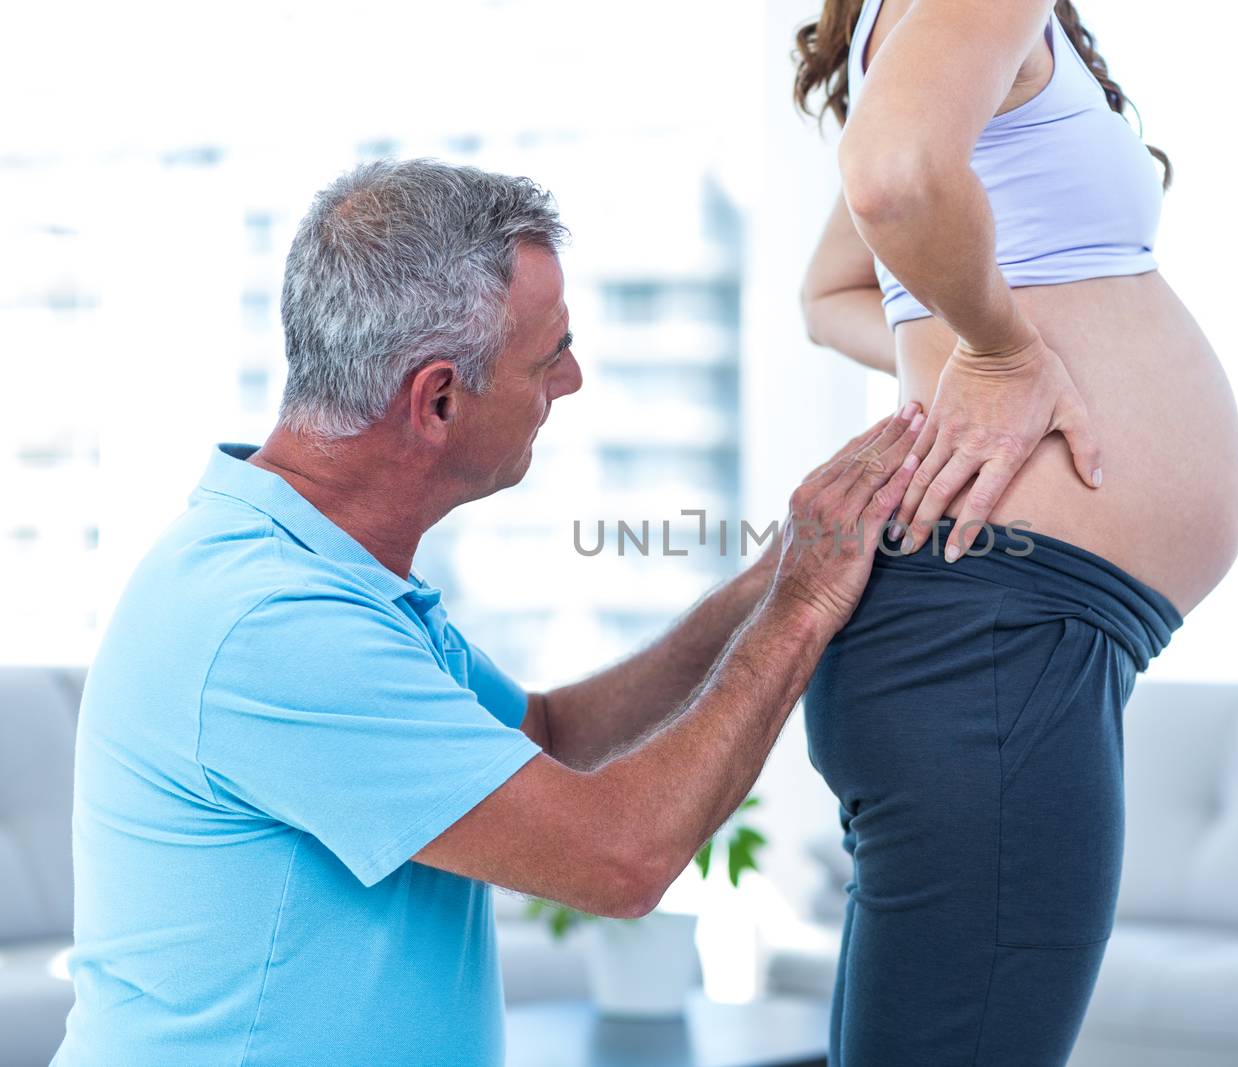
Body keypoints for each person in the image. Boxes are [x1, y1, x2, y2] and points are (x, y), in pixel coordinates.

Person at [53, 158, 924, 1067]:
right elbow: (621, 858)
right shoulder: (274, 622)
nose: (575, 378)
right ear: (438, 399)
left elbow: (545, 734)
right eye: (550, 355)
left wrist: (772, 576)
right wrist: (804, 608)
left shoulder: (328, 576)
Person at [793, 0, 1238, 1062]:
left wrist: (964, 351)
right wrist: (999, 354)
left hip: (993, 635)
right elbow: (892, 180)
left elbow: (832, 293)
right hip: (991, 634)